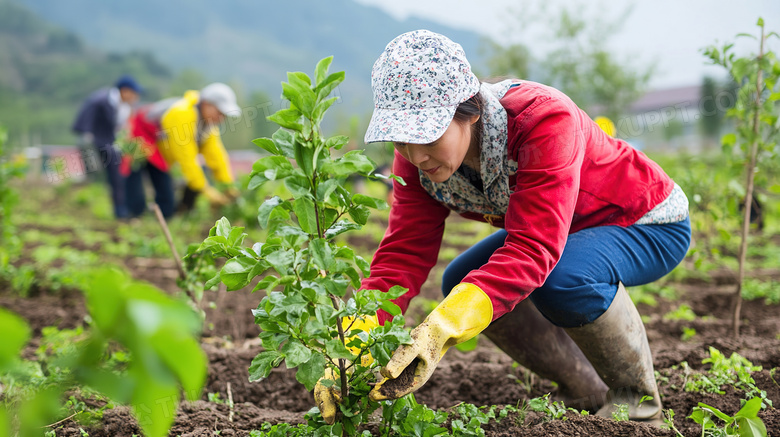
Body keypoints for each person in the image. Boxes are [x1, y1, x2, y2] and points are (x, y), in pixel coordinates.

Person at [315, 30, 691, 425]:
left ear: (470, 110)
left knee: (561, 277)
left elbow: (534, 248)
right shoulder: (414, 161)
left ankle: (638, 406)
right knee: (461, 279)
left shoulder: (543, 119)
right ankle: (583, 385)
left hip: (642, 220)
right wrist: (353, 342)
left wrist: (444, 327)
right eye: (400, 139)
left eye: (426, 134)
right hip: (564, 231)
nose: (415, 154)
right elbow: (403, 253)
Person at [153, 83, 242, 213]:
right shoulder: (182, 114)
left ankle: (182, 213)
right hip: (147, 153)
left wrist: (229, 187)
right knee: (163, 203)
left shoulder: (208, 125)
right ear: (207, 104)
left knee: (195, 178)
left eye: (224, 115)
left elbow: (217, 157)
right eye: (220, 113)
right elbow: (187, 160)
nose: (221, 119)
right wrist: (208, 192)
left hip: (164, 159)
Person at [72, 75, 142, 218]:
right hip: (96, 141)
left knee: (117, 176)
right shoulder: (101, 100)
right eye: (134, 93)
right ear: (125, 91)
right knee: (102, 174)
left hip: (108, 143)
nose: (135, 97)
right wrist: (87, 138)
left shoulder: (121, 106)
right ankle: (118, 210)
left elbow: (118, 128)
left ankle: (120, 210)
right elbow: (85, 121)